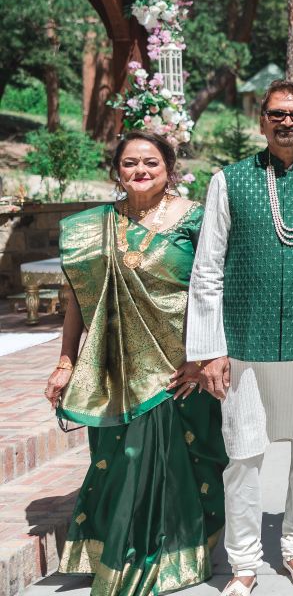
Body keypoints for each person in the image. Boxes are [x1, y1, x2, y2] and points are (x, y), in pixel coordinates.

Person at [187, 80, 293, 596]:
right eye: (277, 113)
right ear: (261, 120)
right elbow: (208, 268)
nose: (287, 122)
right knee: (242, 457)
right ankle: (243, 562)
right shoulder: (229, 181)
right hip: (244, 343)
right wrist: (209, 350)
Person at [45, 130, 226, 595]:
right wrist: (66, 361)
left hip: (180, 369)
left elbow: (215, 290)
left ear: (170, 170)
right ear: (116, 171)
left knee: (185, 458)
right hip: (117, 369)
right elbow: (78, 301)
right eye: (129, 163)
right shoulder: (95, 226)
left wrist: (203, 356)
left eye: (151, 163)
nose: (140, 171)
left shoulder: (196, 220)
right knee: (122, 458)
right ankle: (125, 555)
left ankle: (179, 553)